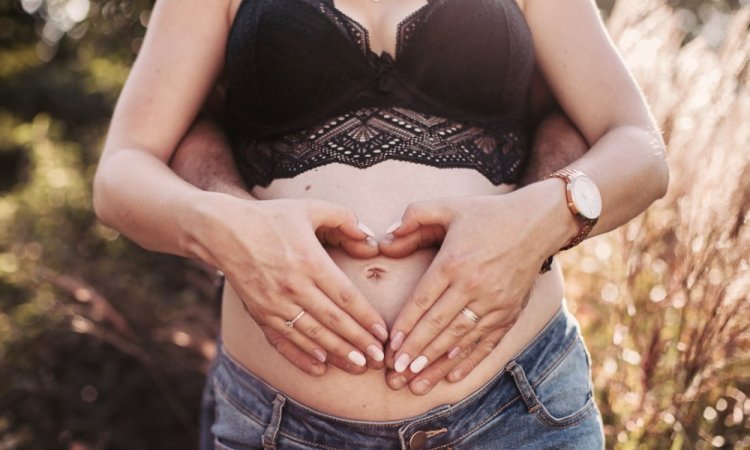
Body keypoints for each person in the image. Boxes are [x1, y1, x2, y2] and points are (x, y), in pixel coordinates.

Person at [92, 0, 669, 448]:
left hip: (518, 408)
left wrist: (542, 218)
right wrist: (226, 228)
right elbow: (122, 172)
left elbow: (639, 149)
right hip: (279, 421)